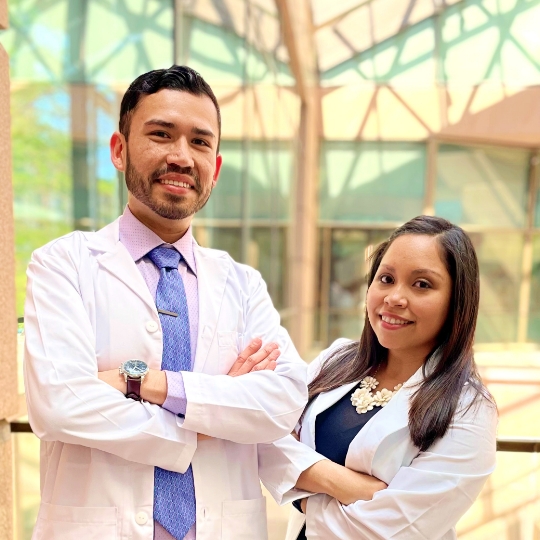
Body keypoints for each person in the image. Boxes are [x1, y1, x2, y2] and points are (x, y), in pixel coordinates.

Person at [23, 65, 307, 540]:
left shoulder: (243, 283)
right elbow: (58, 404)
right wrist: (209, 420)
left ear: (214, 168)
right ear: (120, 150)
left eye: (200, 142)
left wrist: (144, 384)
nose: (181, 156)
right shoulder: (63, 265)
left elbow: (282, 402)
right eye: (161, 134)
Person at [259, 215, 498, 540]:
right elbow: (262, 436)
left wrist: (301, 494)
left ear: (457, 301)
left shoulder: (468, 409)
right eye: (386, 279)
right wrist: (341, 484)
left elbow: (383, 533)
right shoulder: (336, 359)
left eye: (422, 284)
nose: (395, 297)